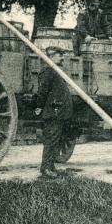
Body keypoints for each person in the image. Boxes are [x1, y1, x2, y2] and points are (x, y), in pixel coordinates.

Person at [35, 46, 74, 178]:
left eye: (62, 55)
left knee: (55, 140)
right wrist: (39, 106)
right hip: (53, 112)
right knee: (51, 140)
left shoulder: (56, 71)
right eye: (59, 55)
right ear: (51, 57)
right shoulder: (48, 71)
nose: (62, 57)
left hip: (59, 112)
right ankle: (45, 168)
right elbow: (42, 92)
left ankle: (50, 167)